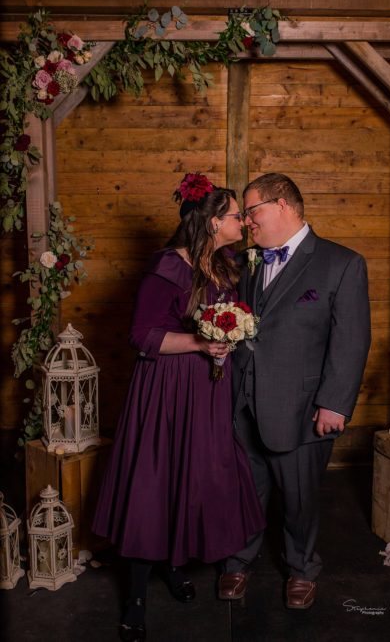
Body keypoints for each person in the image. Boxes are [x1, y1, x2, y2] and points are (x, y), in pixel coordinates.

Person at [93, 173, 265, 641]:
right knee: (154, 485)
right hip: (167, 391)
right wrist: (199, 342)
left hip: (208, 392)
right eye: (235, 216)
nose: (243, 223)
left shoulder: (226, 264)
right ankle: (135, 599)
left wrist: (226, 342)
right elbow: (142, 335)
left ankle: (172, 565)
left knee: (190, 480)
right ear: (211, 223)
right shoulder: (168, 267)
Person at [218, 172, 371, 610]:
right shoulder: (246, 260)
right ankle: (237, 559)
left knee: (299, 497)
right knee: (245, 488)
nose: (247, 222)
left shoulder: (341, 263)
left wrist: (333, 404)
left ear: (282, 205)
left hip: (302, 407)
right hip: (242, 401)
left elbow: (352, 340)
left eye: (252, 212)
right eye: (245, 215)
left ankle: (302, 568)